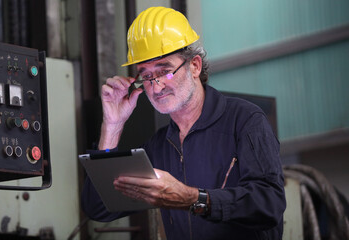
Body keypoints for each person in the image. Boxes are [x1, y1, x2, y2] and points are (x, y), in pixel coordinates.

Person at [81, 6, 286, 240]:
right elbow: (97, 206)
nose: (156, 86)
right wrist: (113, 124)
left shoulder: (244, 120)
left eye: (165, 71)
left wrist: (192, 198)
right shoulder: (158, 148)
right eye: (146, 76)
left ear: (195, 66)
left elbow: (269, 204)